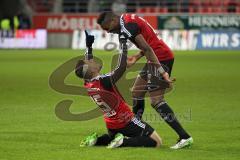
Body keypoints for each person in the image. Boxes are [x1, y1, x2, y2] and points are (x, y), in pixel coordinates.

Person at [97, 12, 193, 149]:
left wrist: (162, 72)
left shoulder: (127, 26)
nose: (109, 32)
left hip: (160, 58)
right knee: (137, 92)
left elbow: (148, 48)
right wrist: (136, 56)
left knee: (157, 101)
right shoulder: (127, 19)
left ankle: (185, 137)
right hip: (155, 57)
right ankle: (138, 131)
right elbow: (148, 43)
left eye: (108, 28)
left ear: (113, 20)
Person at [75, 31, 162, 148]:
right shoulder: (104, 81)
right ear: (91, 70)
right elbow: (121, 68)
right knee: (156, 142)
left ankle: (96, 141)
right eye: (91, 62)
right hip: (126, 121)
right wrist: (123, 43)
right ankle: (122, 143)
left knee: (112, 136)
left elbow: (86, 68)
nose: (92, 60)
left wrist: (89, 47)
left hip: (111, 124)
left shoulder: (88, 83)